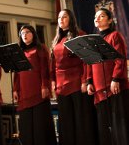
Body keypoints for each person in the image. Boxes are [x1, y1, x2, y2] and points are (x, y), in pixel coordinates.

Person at [50, 9, 98, 145]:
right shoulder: (57, 39)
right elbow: (52, 64)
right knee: (66, 122)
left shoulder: (80, 35)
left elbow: (87, 60)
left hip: (77, 83)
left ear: (71, 19)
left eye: (64, 17)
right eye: (59, 17)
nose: (61, 20)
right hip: (61, 85)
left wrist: (85, 80)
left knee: (81, 120)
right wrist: (53, 81)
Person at [87, 8, 129, 145]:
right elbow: (89, 62)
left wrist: (115, 79)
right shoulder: (93, 40)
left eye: (102, 16)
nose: (97, 18)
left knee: (119, 125)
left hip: (114, 87)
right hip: (99, 89)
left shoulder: (115, 35)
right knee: (104, 127)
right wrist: (89, 82)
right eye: (95, 16)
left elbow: (120, 59)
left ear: (110, 20)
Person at [13, 25, 56, 145]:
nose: (24, 35)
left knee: (40, 127)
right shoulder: (19, 52)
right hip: (24, 93)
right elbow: (16, 73)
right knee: (26, 127)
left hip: (38, 92)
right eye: (22, 33)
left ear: (33, 34)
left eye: (27, 32)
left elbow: (45, 68)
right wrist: (15, 89)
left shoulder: (40, 48)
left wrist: (45, 86)